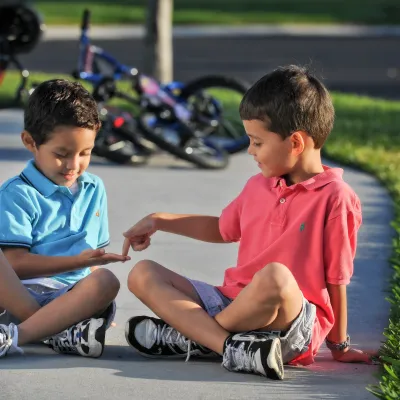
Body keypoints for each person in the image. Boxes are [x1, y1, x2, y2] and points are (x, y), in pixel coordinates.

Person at [121, 65, 378, 380]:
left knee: (275, 276)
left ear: (295, 143)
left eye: (257, 143)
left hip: (292, 323)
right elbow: (222, 229)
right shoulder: (258, 185)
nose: (250, 151)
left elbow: (337, 278)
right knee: (142, 273)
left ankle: (195, 335)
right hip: (234, 303)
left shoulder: (336, 197)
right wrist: (159, 220)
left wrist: (339, 345)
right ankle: (227, 346)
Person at [0, 79, 130, 358]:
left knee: (107, 281)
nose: (74, 165)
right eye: (61, 154)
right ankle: (57, 332)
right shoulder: (16, 193)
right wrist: (80, 261)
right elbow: (14, 266)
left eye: (85, 153)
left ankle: (24, 335)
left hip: (72, 298)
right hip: (21, 298)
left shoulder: (94, 188)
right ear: (29, 142)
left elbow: (93, 266)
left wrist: (91, 283)